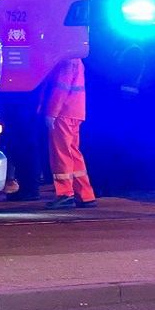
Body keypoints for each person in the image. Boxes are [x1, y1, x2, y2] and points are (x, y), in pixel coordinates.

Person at [41, 57, 97, 209]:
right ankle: (85, 194)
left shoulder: (66, 61)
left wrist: (52, 113)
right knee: (73, 153)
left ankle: (65, 193)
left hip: (63, 113)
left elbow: (61, 89)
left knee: (61, 153)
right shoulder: (77, 60)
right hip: (75, 112)